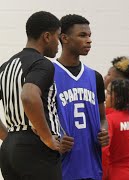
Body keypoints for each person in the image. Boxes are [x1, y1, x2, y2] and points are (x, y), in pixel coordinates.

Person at [0, 11, 62, 180]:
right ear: (47, 36)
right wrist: (47, 138)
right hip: (36, 148)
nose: (59, 44)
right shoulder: (42, 64)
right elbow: (28, 96)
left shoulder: (6, 65)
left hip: (9, 149)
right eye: (58, 37)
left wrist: (8, 137)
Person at [54, 14, 108, 180]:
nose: (89, 40)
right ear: (64, 38)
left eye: (89, 35)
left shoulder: (95, 77)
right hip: (61, 167)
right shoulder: (48, 74)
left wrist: (105, 131)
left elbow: (102, 118)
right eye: (82, 35)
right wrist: (53, 140)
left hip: (92, 166)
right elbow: (35, 118)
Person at [102, 56, 129, 179]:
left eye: (108, 74)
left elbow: (104, 150)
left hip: (115, 174)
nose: (104, 77)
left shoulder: (109, 118)